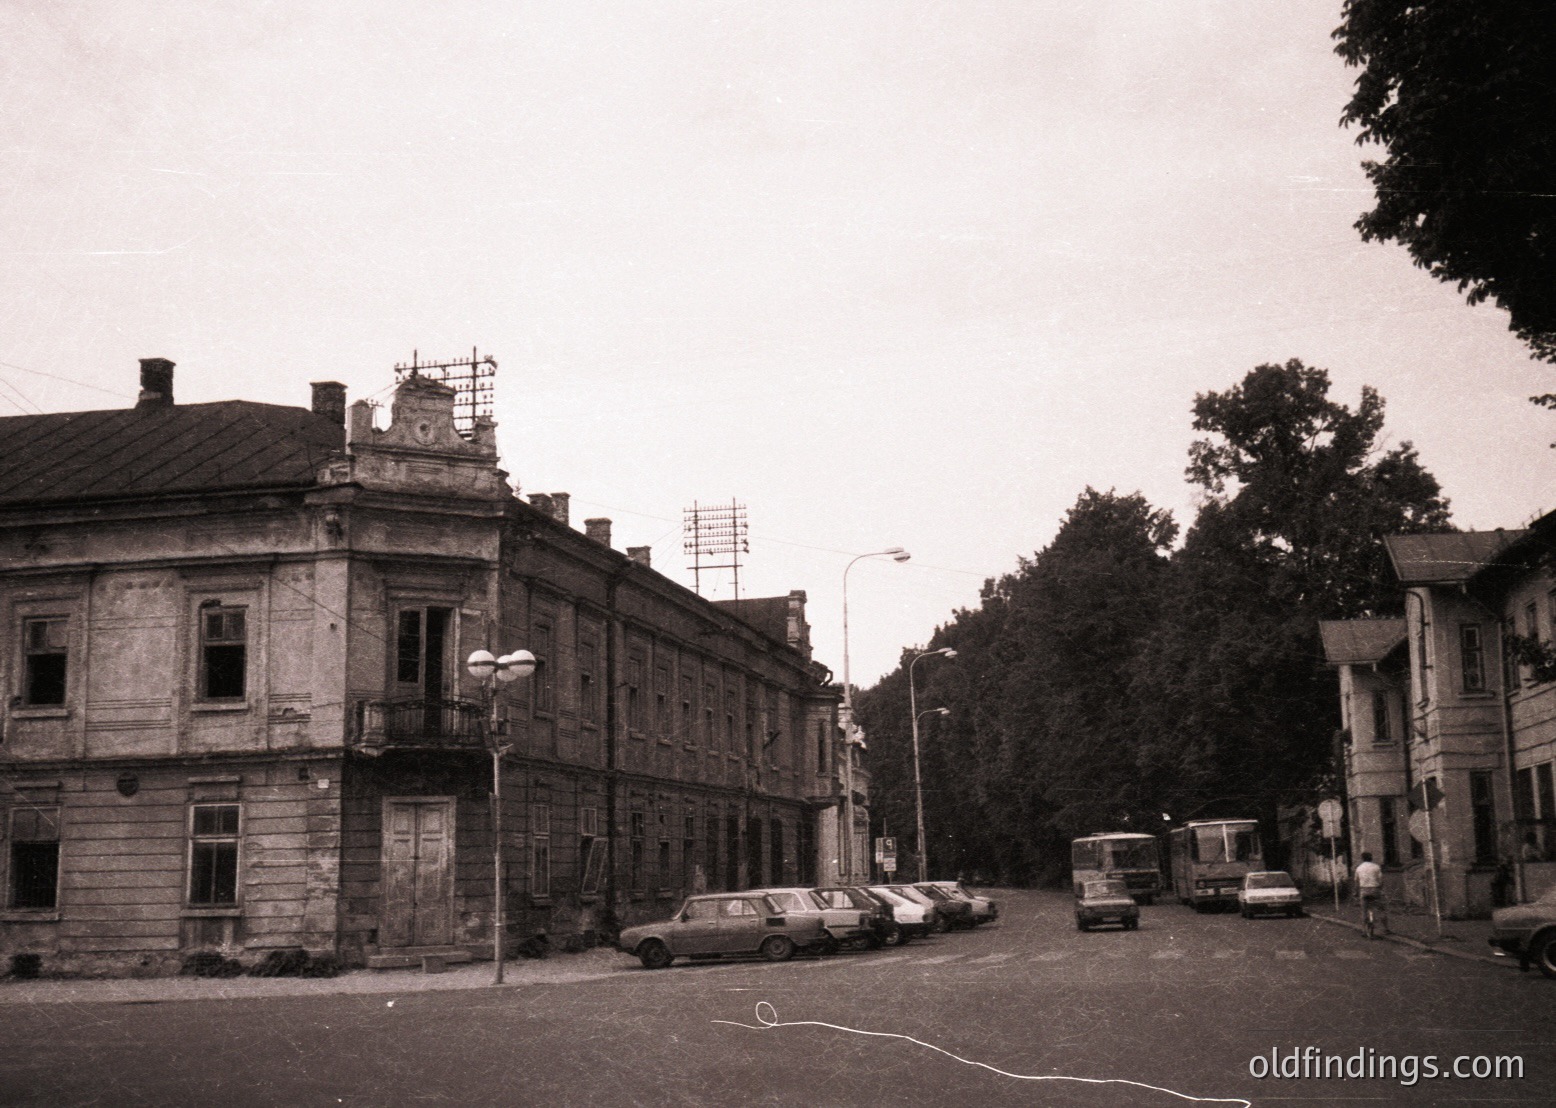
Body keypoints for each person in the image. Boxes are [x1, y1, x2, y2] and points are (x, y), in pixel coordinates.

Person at [1354, 851, 1386, 936]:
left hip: (1364, 890)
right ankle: (1385, 929)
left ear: (1362, 858)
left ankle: (1364, 930)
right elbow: (1381, 880)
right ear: (1371, 858)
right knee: (1381, 909)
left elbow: (1357, 882)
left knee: (1364, 910)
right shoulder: (1376, 867)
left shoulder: (1359, 868)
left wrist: (1356, 892)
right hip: (1375, 890)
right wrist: (1380, 889)